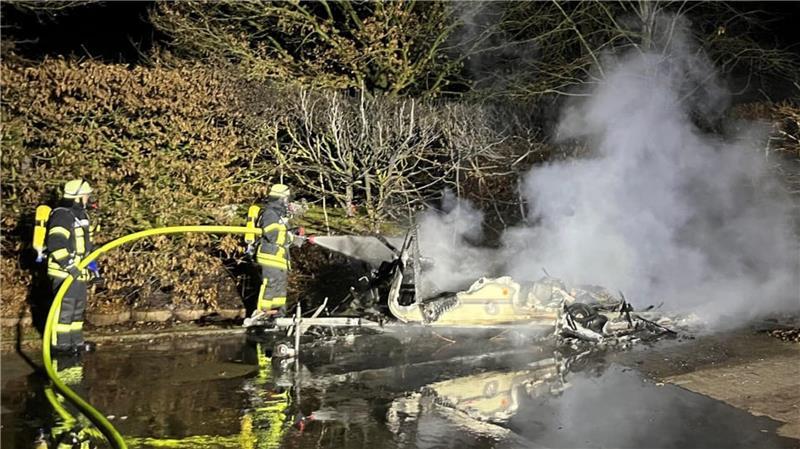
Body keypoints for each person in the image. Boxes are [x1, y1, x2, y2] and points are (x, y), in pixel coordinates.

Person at [46, 179, 98, 353]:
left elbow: (87, 246)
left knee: (77, 310)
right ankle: (60, 345)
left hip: (79, 272)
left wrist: (93, 268)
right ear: (77, 196)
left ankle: (76, 342)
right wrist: (69, 266)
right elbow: (55, 243)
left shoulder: (82, 215)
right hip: (64, 272)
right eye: (86, 195)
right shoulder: (62, 215)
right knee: (65, 310)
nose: (88, 198)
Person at [246, 184, 306, 324]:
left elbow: (282, 233)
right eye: (287, 199)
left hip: (279, 256)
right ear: (281, 198)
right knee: (271, 284)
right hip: (270, 254)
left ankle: (278, 314)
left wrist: (294, 233)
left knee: (280, 285)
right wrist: (292, 238)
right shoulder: (270, 213)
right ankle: (262, 313)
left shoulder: (279, 215)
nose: (288, 202)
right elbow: (273, 235)